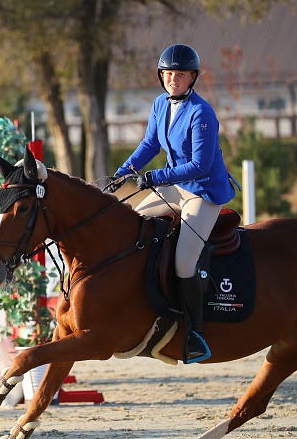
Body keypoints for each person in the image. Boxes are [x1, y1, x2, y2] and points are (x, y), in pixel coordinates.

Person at [109, 44, 239, 364]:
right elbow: (150, 143)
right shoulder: (159, 104)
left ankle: (195, 333)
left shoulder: (201, 112)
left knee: (184, 261)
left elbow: (200, 166)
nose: (173, 79)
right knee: (132, 227)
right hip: (175, 187)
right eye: (168, 74)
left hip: (202, 193)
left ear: (192, 77)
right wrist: (124, 171)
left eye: (180, 74)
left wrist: (154, 177)